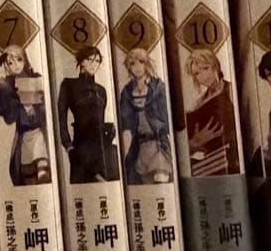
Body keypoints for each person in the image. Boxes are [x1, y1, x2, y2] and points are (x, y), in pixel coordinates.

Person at [0, 45, 50, 186]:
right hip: (23, 135)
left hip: (41, 132)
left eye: (19, 59)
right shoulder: (6, 85)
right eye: (10, 62)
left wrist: (35, 103)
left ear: (25, 59)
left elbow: (47, 106)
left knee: (43, 167)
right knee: (26, 175)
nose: (15, 65)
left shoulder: (37, 78)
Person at [57, 46, 118, 184]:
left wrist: (110, 129)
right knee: (85, 187)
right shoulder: (69, 85)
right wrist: (68, 147)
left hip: (103, 146)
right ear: (81, 61)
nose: (94, 64)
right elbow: (60, 119)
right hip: (81, 146)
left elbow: (100, 118)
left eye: (97, 61)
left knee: (110, 184)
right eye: (90, 60)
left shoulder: (101, 90)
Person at [119, 48, 173, 185]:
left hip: (158, 144)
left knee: (161, 181)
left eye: (141, 62)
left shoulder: (158, 87)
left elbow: (167, 116)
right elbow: (125, 124)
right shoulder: (127, 91)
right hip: (139, 147)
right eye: (132, 63)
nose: (137, 67)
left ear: (146, 63)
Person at [184, 49, 239, 175]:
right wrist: (194, 143)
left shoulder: (231, 90)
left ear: (215, 65)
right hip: (206, 161)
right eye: (197, 73)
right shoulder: (198, 103)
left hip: (228, 156)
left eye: (206, 68)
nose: (203, 76)